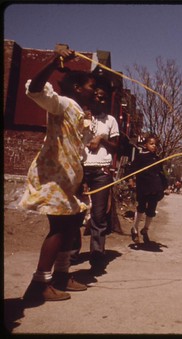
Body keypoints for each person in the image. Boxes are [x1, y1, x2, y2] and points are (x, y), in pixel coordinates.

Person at [20, 48, 96, 303]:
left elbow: (77, 150)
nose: (95, 91)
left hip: (70, 179)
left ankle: (62, 276)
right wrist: (54, 61)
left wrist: (80, 179)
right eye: (90, 85)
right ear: (76, 88)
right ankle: (39, 283)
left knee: (72, 224)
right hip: (54, 176)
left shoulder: (79, 112)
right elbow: (35, 89)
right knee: (59, 228)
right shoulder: (61, 104)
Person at [80, 74, 120, 274]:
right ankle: (69, 255)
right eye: (97, 96)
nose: (100, 100)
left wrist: (101, 138)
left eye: (104, 98)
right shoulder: (80, 114)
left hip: (101, 171)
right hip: (80, 168)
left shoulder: (111, 120)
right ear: (91, 96)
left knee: (98, 215)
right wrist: (82, 122)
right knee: (75, 213)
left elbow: (115, 147)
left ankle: (97, 256)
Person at [127, 135, 168, 244]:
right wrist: (131, 180)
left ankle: (145, 229)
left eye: (155, 144)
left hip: (155, 188)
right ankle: (134, 229)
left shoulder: (157, 159)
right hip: (143, 187)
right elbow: (131, 169)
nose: (154, 146)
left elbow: (161, 174)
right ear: (145, 145)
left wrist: (165, 187)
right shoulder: (141, 157)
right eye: (151, 144)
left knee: (151, 210)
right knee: (141, 207)